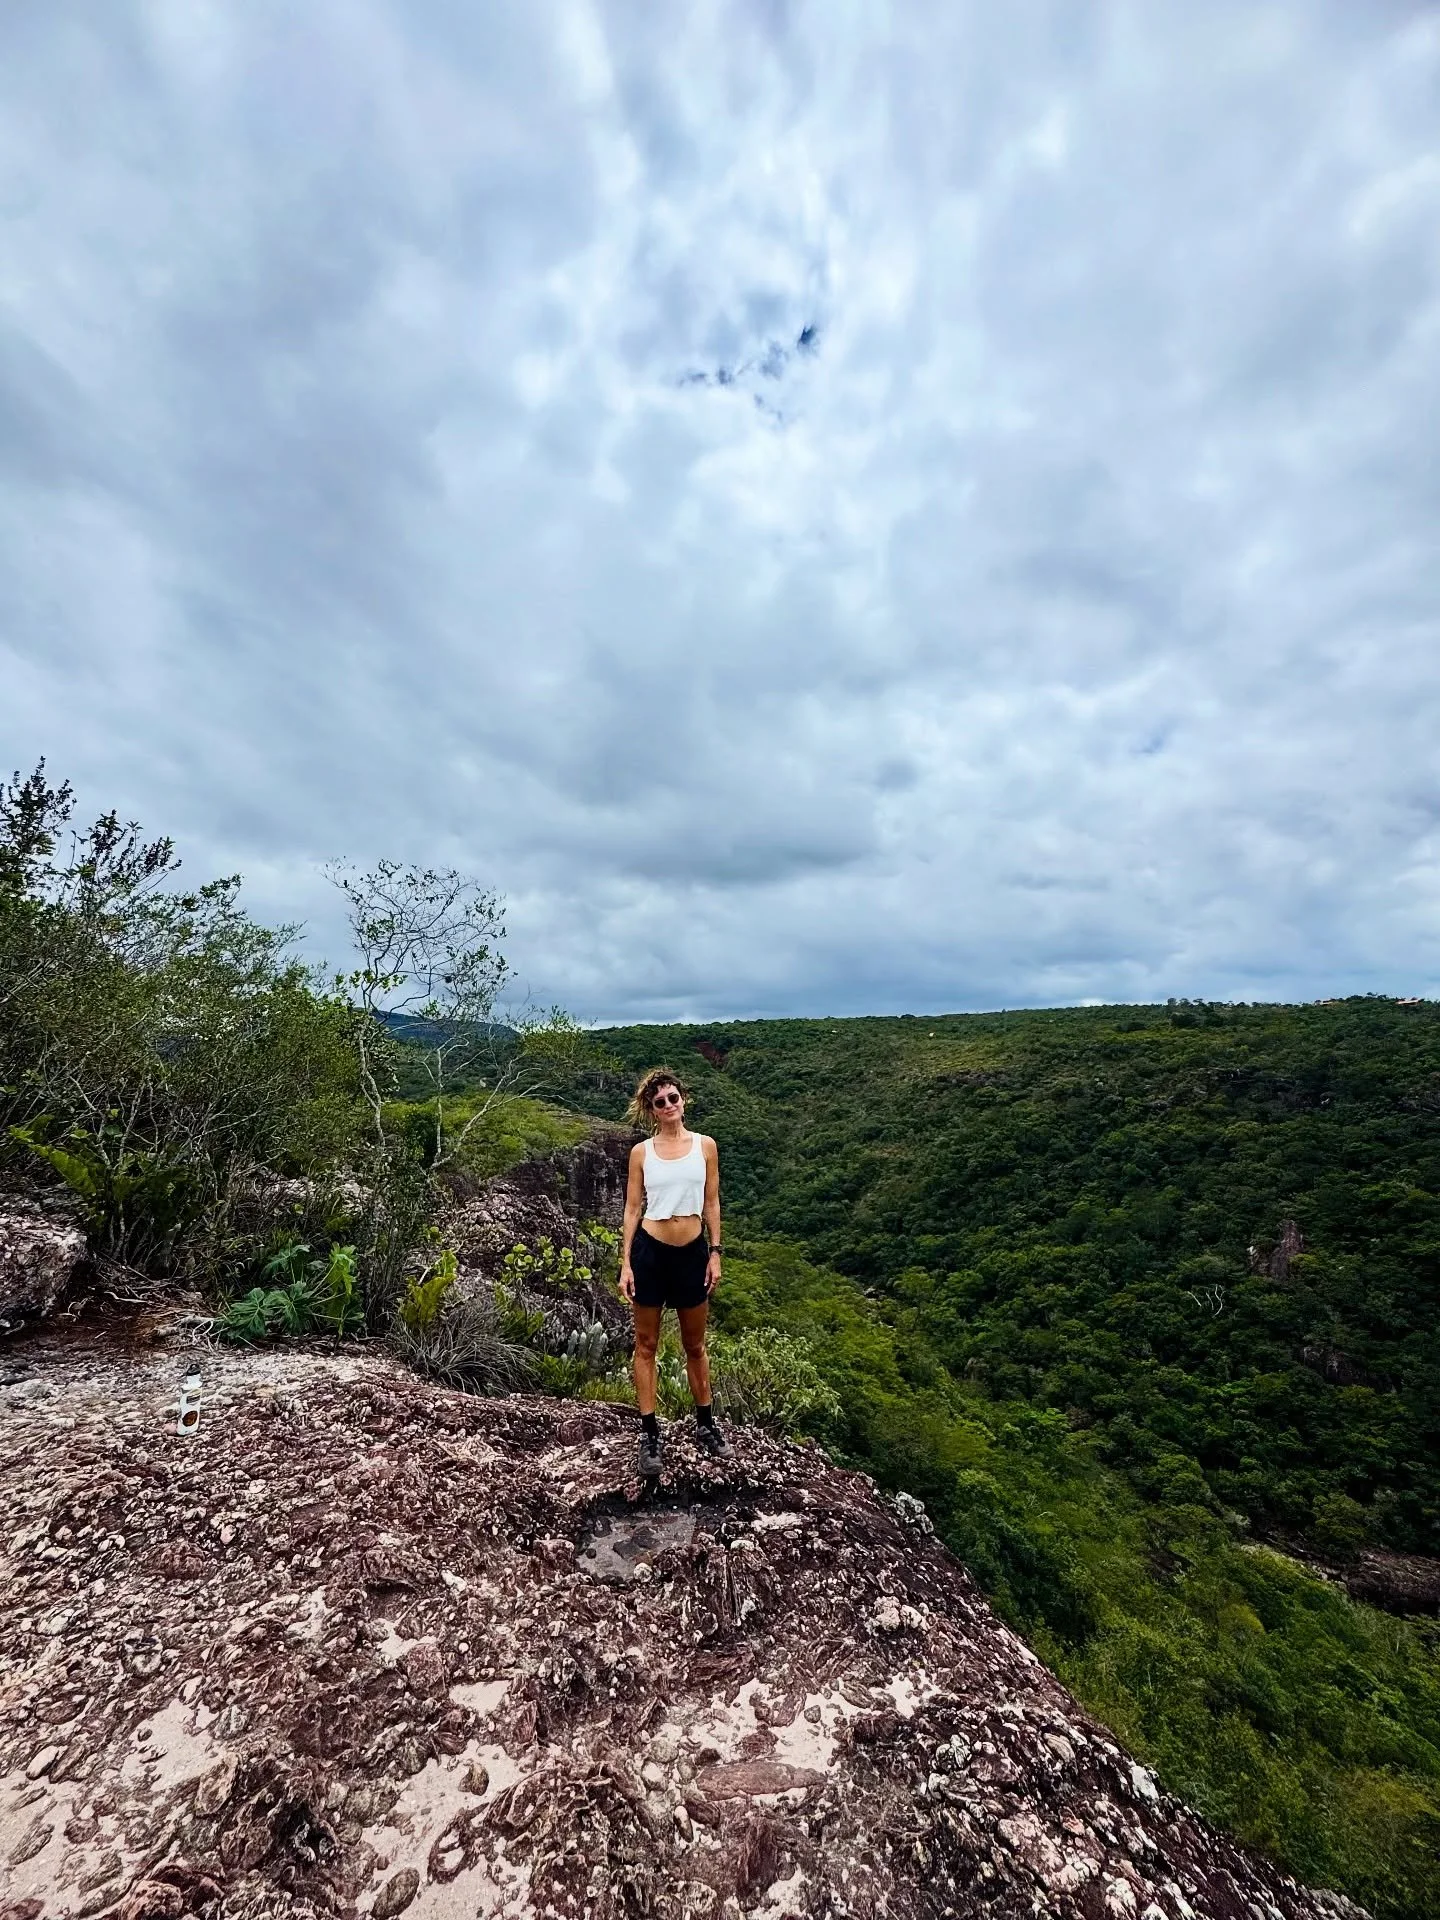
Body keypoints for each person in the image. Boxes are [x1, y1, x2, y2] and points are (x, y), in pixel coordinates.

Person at [618, 1067, 732, 1476]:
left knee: (695, 1345)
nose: (668, 1105)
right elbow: (632, 1209)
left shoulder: (706, 1146)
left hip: (692, 1253)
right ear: (651, 1110)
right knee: (646, 1345)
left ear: (683, 1099)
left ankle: (706, 1425)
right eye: (659, 1101)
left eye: (673, 1097)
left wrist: (715, 1253)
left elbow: (713, 1203)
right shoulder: (641, 1153)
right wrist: (626, 1262)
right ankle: (649, 1434)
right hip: (651, 1252)